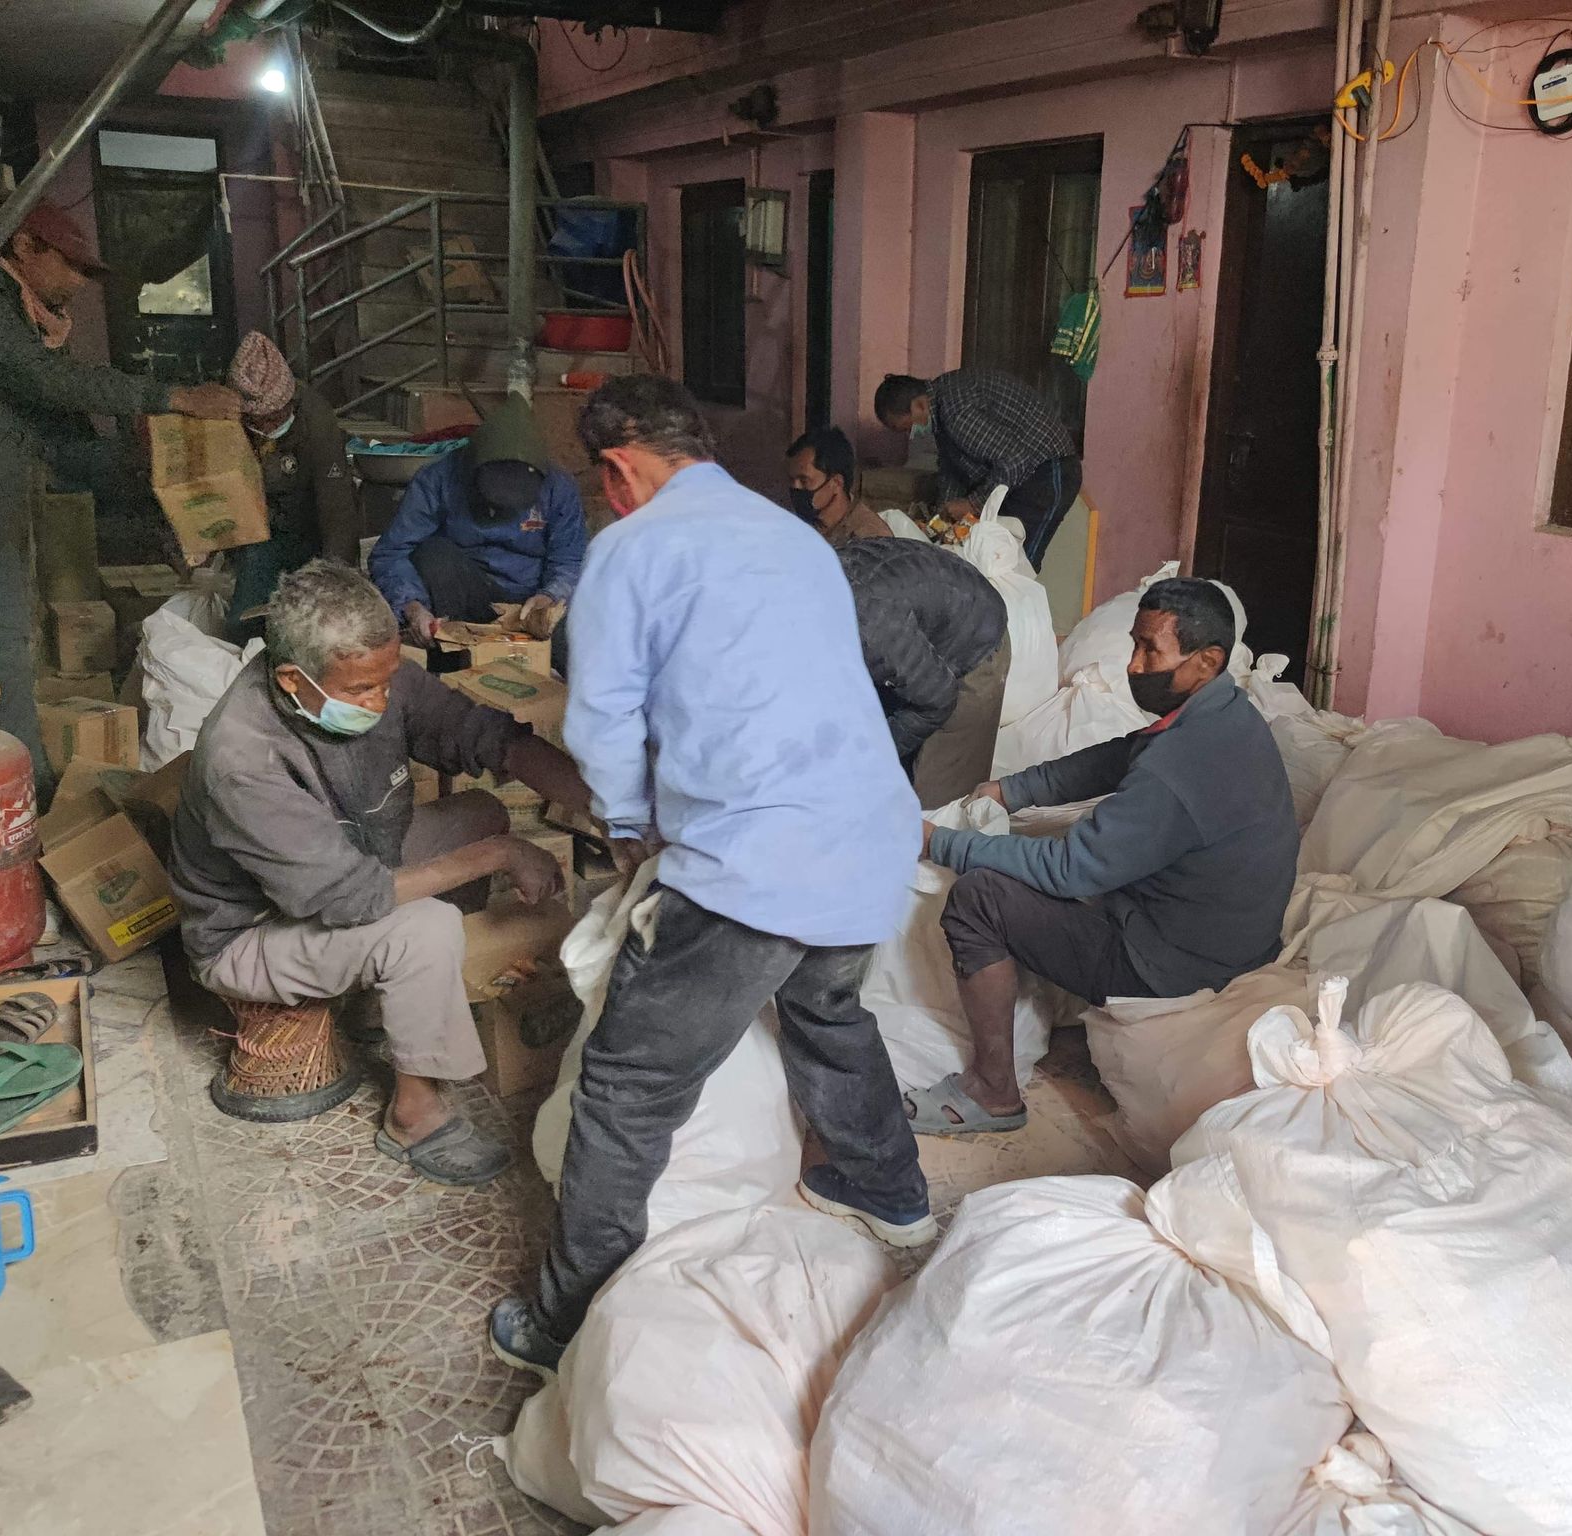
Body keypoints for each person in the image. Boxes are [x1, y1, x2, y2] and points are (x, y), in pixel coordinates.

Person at [488, 376, 932, 1376]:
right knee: (825, 1009)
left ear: (617, 468)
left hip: (757, 858)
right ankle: (890, 1192)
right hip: (869, 835)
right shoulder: (793, 538)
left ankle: (566, 1323)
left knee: (627, 1086)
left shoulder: (632, 548)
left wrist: (628, 826)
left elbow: (602, 719)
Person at [169, 560, 594, 1185]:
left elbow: (486, 736)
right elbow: (352, 897)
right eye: (362, 691)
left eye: (387, 681)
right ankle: (414, 1116)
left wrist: (605, 808)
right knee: (423, 929)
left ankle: (399, 1006)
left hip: (356, 858)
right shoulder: (243, 757)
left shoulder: (369, 673)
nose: (382, 700)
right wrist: (501, 854)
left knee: (480, 814)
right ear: (291, 680)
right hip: (253, 931)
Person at [913, 578, 1297, 1134]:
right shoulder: (1225, 713)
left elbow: (1071, 870)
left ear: (1207, 661)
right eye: (1134, 645)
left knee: (980, 898)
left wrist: (938, 842)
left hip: (1175, 969)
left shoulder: (1180, 771)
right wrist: (1015, 789)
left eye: (1151, 651)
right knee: (1037, 853)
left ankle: (993, 1092)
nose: (1134, 666)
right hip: (1232, 939)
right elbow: (1124, 756)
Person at [0, 202, 240, 785]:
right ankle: (18, 784)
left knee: (8, 646)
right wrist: (171, 397)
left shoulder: (29, 315)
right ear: (26, 246)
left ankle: (31, 783)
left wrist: (160, 486)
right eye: (74, 266)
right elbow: (47, 382)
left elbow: (66, 439)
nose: (80, 283)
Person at [368, 396, 584, 657]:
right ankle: (451, 658)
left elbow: (569, 561)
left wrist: (549, 597)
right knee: (434, 554)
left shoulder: (559, 487)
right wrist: (412, 606)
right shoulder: (439, 479)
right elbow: (391, 553)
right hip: (464, 595)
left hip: (530, 601)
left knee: (577, 635)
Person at [835, 536, 1010, 808]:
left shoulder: (872, 629)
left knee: (932, 805)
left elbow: (937, 701)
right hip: (923, 610)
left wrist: (872, 752)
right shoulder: (807, 584)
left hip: (974, 645)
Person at [874, 368, 1082, 570]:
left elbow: (1013, 461)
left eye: (908, 428)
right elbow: (952, 471)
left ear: (919, 405)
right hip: (1019, 480)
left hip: (1048, 472)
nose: (911, 434)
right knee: (991, 554)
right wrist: (941, 518)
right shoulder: (942, 410)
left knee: (1015, 562)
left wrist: (972, 504)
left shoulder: (957, 411)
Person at [224, 332, 360, 635]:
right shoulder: (230, 423)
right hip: (260, 533)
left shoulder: (316, 420)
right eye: (258, 421)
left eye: (275, 418)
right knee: (245, 621)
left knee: (319, 618)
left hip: (312, 526)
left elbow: (338, 511)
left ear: (289, 402)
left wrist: (333, 576)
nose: (267, 427)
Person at [784, 424, 891, 548]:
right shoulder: (799, 524)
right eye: (791, 480)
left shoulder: (870, 539)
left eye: (804, 480)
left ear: (836, 482)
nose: (795, 487)